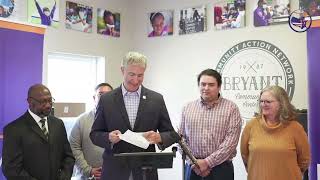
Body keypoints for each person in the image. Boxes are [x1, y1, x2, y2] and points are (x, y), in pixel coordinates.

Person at [90, 51, 176, 180]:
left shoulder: (156, 99)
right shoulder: (106, 100)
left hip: (145, 172)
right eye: (131, 74)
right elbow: (95, 134)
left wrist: (159, 137)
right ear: (122, 70)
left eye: (140, 75)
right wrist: (108, 137)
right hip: (115, 171)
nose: (135, 80)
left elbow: (170, 133)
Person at [178, 69, 242, 180]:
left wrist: (207, 163)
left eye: (211, 85)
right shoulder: (187, 108)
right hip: (193, 168)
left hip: (221, 169)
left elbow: (230, 143)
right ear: (199, 85)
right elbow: (180, 139)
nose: (206, 88)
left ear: (219, 86)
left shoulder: (231, 108)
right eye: (203, 84)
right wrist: (194, 163)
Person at [2, 84, 75, 180]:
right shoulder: (13, 129)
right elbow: (11, 168)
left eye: (50, 100)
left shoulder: (58, 124)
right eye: (43, 102)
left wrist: (64, 177)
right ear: (30, 101)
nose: (48, 105)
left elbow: (68, 157)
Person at [240, 85, 310, 180]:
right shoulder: (251, 125)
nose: (263, 104)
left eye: (268, 101)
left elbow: (304, 160)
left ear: (281, 103)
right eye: (261, 101)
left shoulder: (295, 128)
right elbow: (245, 155)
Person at [69, 83, 113, 180]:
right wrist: (88, 170)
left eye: (108, 94)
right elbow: (74, 147)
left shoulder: (119, 121)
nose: (104, 97)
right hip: (87, 177)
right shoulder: (81, 120)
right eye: (101, 94)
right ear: (94, 98)